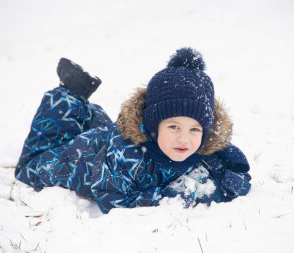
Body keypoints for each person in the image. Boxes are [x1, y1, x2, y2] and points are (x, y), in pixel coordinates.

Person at [15, 48, 251, 214]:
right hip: (79, 159)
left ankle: (88, 113)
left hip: (106, 139)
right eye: (173, 127)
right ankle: (69, 95)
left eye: (194, 129)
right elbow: (113, 198)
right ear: (152, 126)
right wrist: (170, 197)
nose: (184, 138)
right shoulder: (127, 157)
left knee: (103, 129)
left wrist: (222, 187)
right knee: (31, 166)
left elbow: (238, 176)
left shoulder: (204, 147)